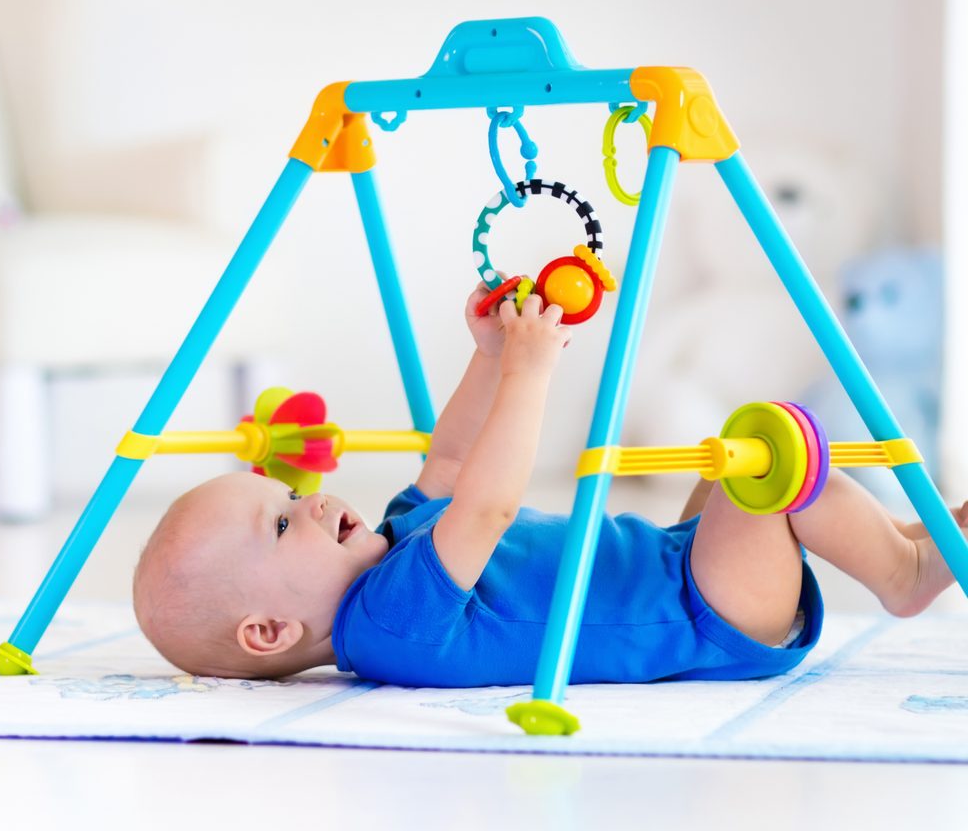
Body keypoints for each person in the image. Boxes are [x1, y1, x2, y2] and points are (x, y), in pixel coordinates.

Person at [133, 286, 968, 685]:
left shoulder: (395, 549)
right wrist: (531, 375)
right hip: (701, 613)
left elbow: (457, 467)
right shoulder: (390, 622)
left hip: (679, 565)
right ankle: (902, 576)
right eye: (284, 526)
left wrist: (490, 357)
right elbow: (490, 504)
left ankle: (907, 544)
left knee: (727, 467)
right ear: (272, 630)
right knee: (769, 458)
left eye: (286, 496)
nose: (310, 500)